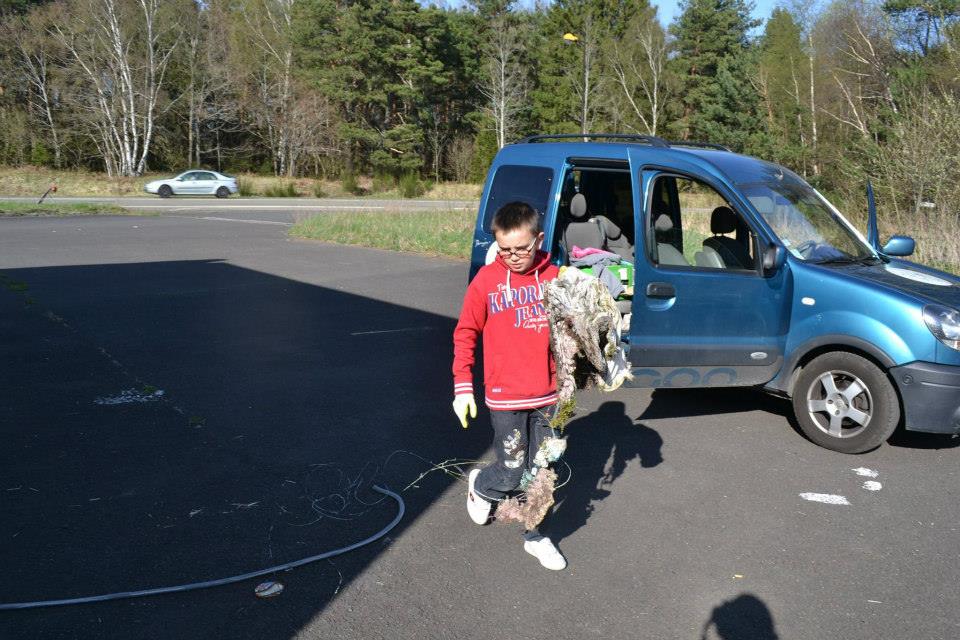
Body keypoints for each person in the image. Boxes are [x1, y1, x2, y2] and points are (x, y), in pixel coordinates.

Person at [451, 201, 567, 571]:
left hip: (550, 395)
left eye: (522, 248)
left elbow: (577, 330)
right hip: (505, 396)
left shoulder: (557, 277)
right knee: (512, 469)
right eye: (505, 249)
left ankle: (535, 536)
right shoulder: (486, 282)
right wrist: (462, 387)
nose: (514, 257)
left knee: (541, 471)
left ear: (539, 238)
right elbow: (465, 333)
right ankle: (483, 486)